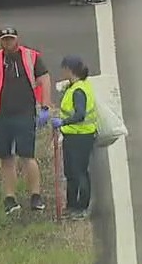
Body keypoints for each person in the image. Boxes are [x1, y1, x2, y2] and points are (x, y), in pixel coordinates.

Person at [0, 26, 53, 214]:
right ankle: (9, 198)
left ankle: (35, 195)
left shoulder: (31, 57)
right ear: (0, 41)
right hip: (1, 115)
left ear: (16, 39)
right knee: (6, 158)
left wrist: (45, 107)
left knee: (27, 156)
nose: (8, 42)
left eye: (11, 39)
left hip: (25, 113)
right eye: (4, 39)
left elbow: (44, 80)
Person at [52, 55, 99, 220]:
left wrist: (63, 122)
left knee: (79, 172)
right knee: (71, 172)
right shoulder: (74, 86)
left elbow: (80, 114)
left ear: (69, 70)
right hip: (72, 135)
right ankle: (72, 205)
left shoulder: (79, 90)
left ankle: (82, 207)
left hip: (81, 136)